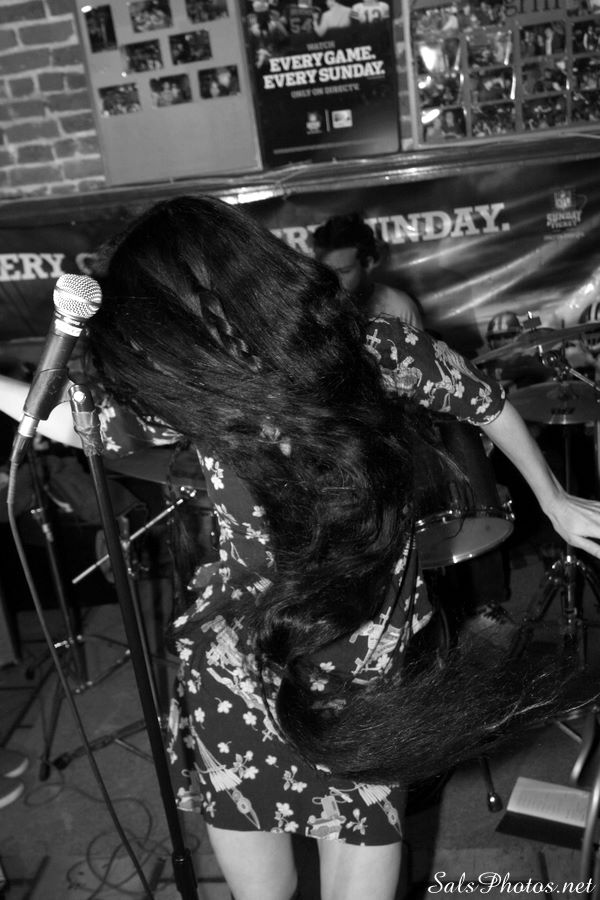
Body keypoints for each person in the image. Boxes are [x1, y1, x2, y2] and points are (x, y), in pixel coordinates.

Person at [2, 196, 600, 900]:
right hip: (239, 660)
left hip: (364, 659)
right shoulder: (195, 385)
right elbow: (77, 422)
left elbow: (483, 400)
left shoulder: (371, 348)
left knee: (362, 849)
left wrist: (554, 498)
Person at [312, 213, 423, 327]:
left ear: (368, 264)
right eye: (326, 272)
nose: (334, 281)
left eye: (344, 271)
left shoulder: (399, 308)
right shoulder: (311, 308)